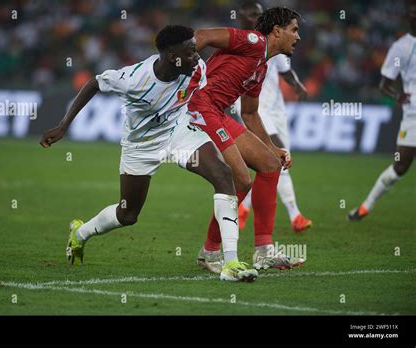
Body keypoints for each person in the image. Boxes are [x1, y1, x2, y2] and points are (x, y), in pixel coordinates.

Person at [39, 25, 258, 282]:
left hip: (178, 132)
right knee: (127, 214)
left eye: (196, 50)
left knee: (223, 175)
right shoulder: (133, 78)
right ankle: (80, 233)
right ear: (169, 55)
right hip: (140, 146)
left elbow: (199, 97)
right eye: (190, 52)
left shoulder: (197, 69)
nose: (197, 57)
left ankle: (230, 261)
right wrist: (64, 124)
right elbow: (94, 83)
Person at [190, 6, 305, 273]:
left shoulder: (261, 67)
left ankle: (264, 251)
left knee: (269, 164)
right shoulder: (252, 42)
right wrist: (180, 72)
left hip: (216, 113)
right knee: (241, 178)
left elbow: (250, 114)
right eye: (294, 30)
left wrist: (272, 147)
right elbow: (203, 35)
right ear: (277, 31)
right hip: (198, 106)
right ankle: (210, 251)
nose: (298, 38)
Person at [234, 1, 312, 233]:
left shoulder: (272, 42)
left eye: (258, 14)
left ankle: (243, 208)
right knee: (279, 158)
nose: (254, 17)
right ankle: (295, 214)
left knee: (271, 161)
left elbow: (285, 70)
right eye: (250, 14)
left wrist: (298, 86)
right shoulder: (238, 43)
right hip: (254, 110)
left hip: (277, 111)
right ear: (240, 17)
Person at [348, 1, 416, 221]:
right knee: (401, 165)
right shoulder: (401, 47)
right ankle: (366, 206)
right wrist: (398, 96)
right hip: (413, 115)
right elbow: (384, 84)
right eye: (413, 13)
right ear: (408, 17)